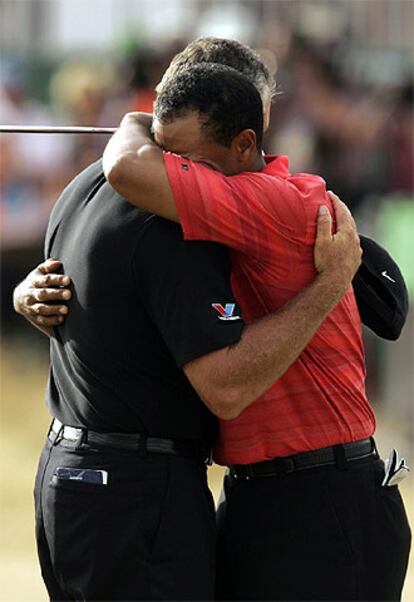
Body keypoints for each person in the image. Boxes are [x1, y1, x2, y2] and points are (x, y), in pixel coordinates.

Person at [12, 64, 362, 601]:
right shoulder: (175, 221)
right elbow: (226, 388)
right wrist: (332, 281)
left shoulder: (82, 185)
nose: (182, 172)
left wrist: (21, 295)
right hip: (137, 495)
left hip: (67, 480)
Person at [99, 61, 411, 601]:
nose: (175, 168)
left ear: (246, 144)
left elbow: (127, 165)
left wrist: (134, 121)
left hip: (324, 504)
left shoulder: (269, 202)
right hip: (263, 496)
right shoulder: (246, 197)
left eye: (187, 159)